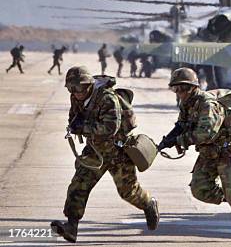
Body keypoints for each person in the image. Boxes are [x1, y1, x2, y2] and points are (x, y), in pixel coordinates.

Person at [50, 66, 159, 243]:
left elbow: (110, 128)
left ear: (89, 86)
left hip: (119, 152)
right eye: (71, 89)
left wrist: (83, 128)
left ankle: (148, 204)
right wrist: (74, 125)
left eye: (78, 88)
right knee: (78, 185)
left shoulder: (107, 98)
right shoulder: (76, 98)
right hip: (95, 151)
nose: (75, 92)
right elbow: (74, 118)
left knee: (128, 192)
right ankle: (71, 226)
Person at [158, 68, 231, 242]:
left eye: (182, 88)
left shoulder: (208, 104)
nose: (179, 93)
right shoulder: (187, 104)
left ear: (193, 87)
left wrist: (180, 141)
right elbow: (181, 125)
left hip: (226, 152)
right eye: (175, 89)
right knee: (199, 189)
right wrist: (168, 140)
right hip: (208, 152)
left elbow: (206, 133)